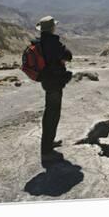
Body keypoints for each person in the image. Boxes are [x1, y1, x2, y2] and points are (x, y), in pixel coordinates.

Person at [36, 15, 73, 165]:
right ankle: (46, 152)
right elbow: (68, 56)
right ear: (52, 28)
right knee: (52, 115)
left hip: (46, 82)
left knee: (50, 113)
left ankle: (49, 143)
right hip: (55, 83)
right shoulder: (53, 43)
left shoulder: (39, 42)